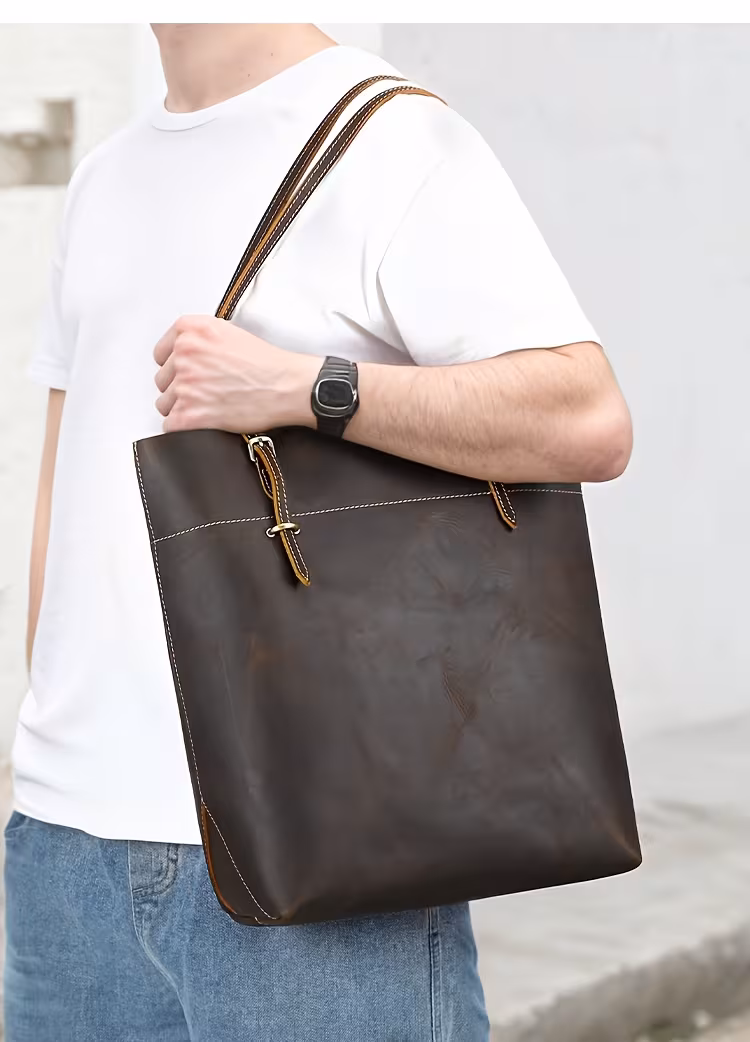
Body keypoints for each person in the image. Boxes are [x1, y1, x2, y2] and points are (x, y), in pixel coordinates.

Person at [3, 22, 632, 1042]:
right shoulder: (105, 176)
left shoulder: (392, 139)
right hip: (66, 852)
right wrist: (43, 735)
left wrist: (308, 388)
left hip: (317, 846)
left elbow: (587, 419)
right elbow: (66, 485)